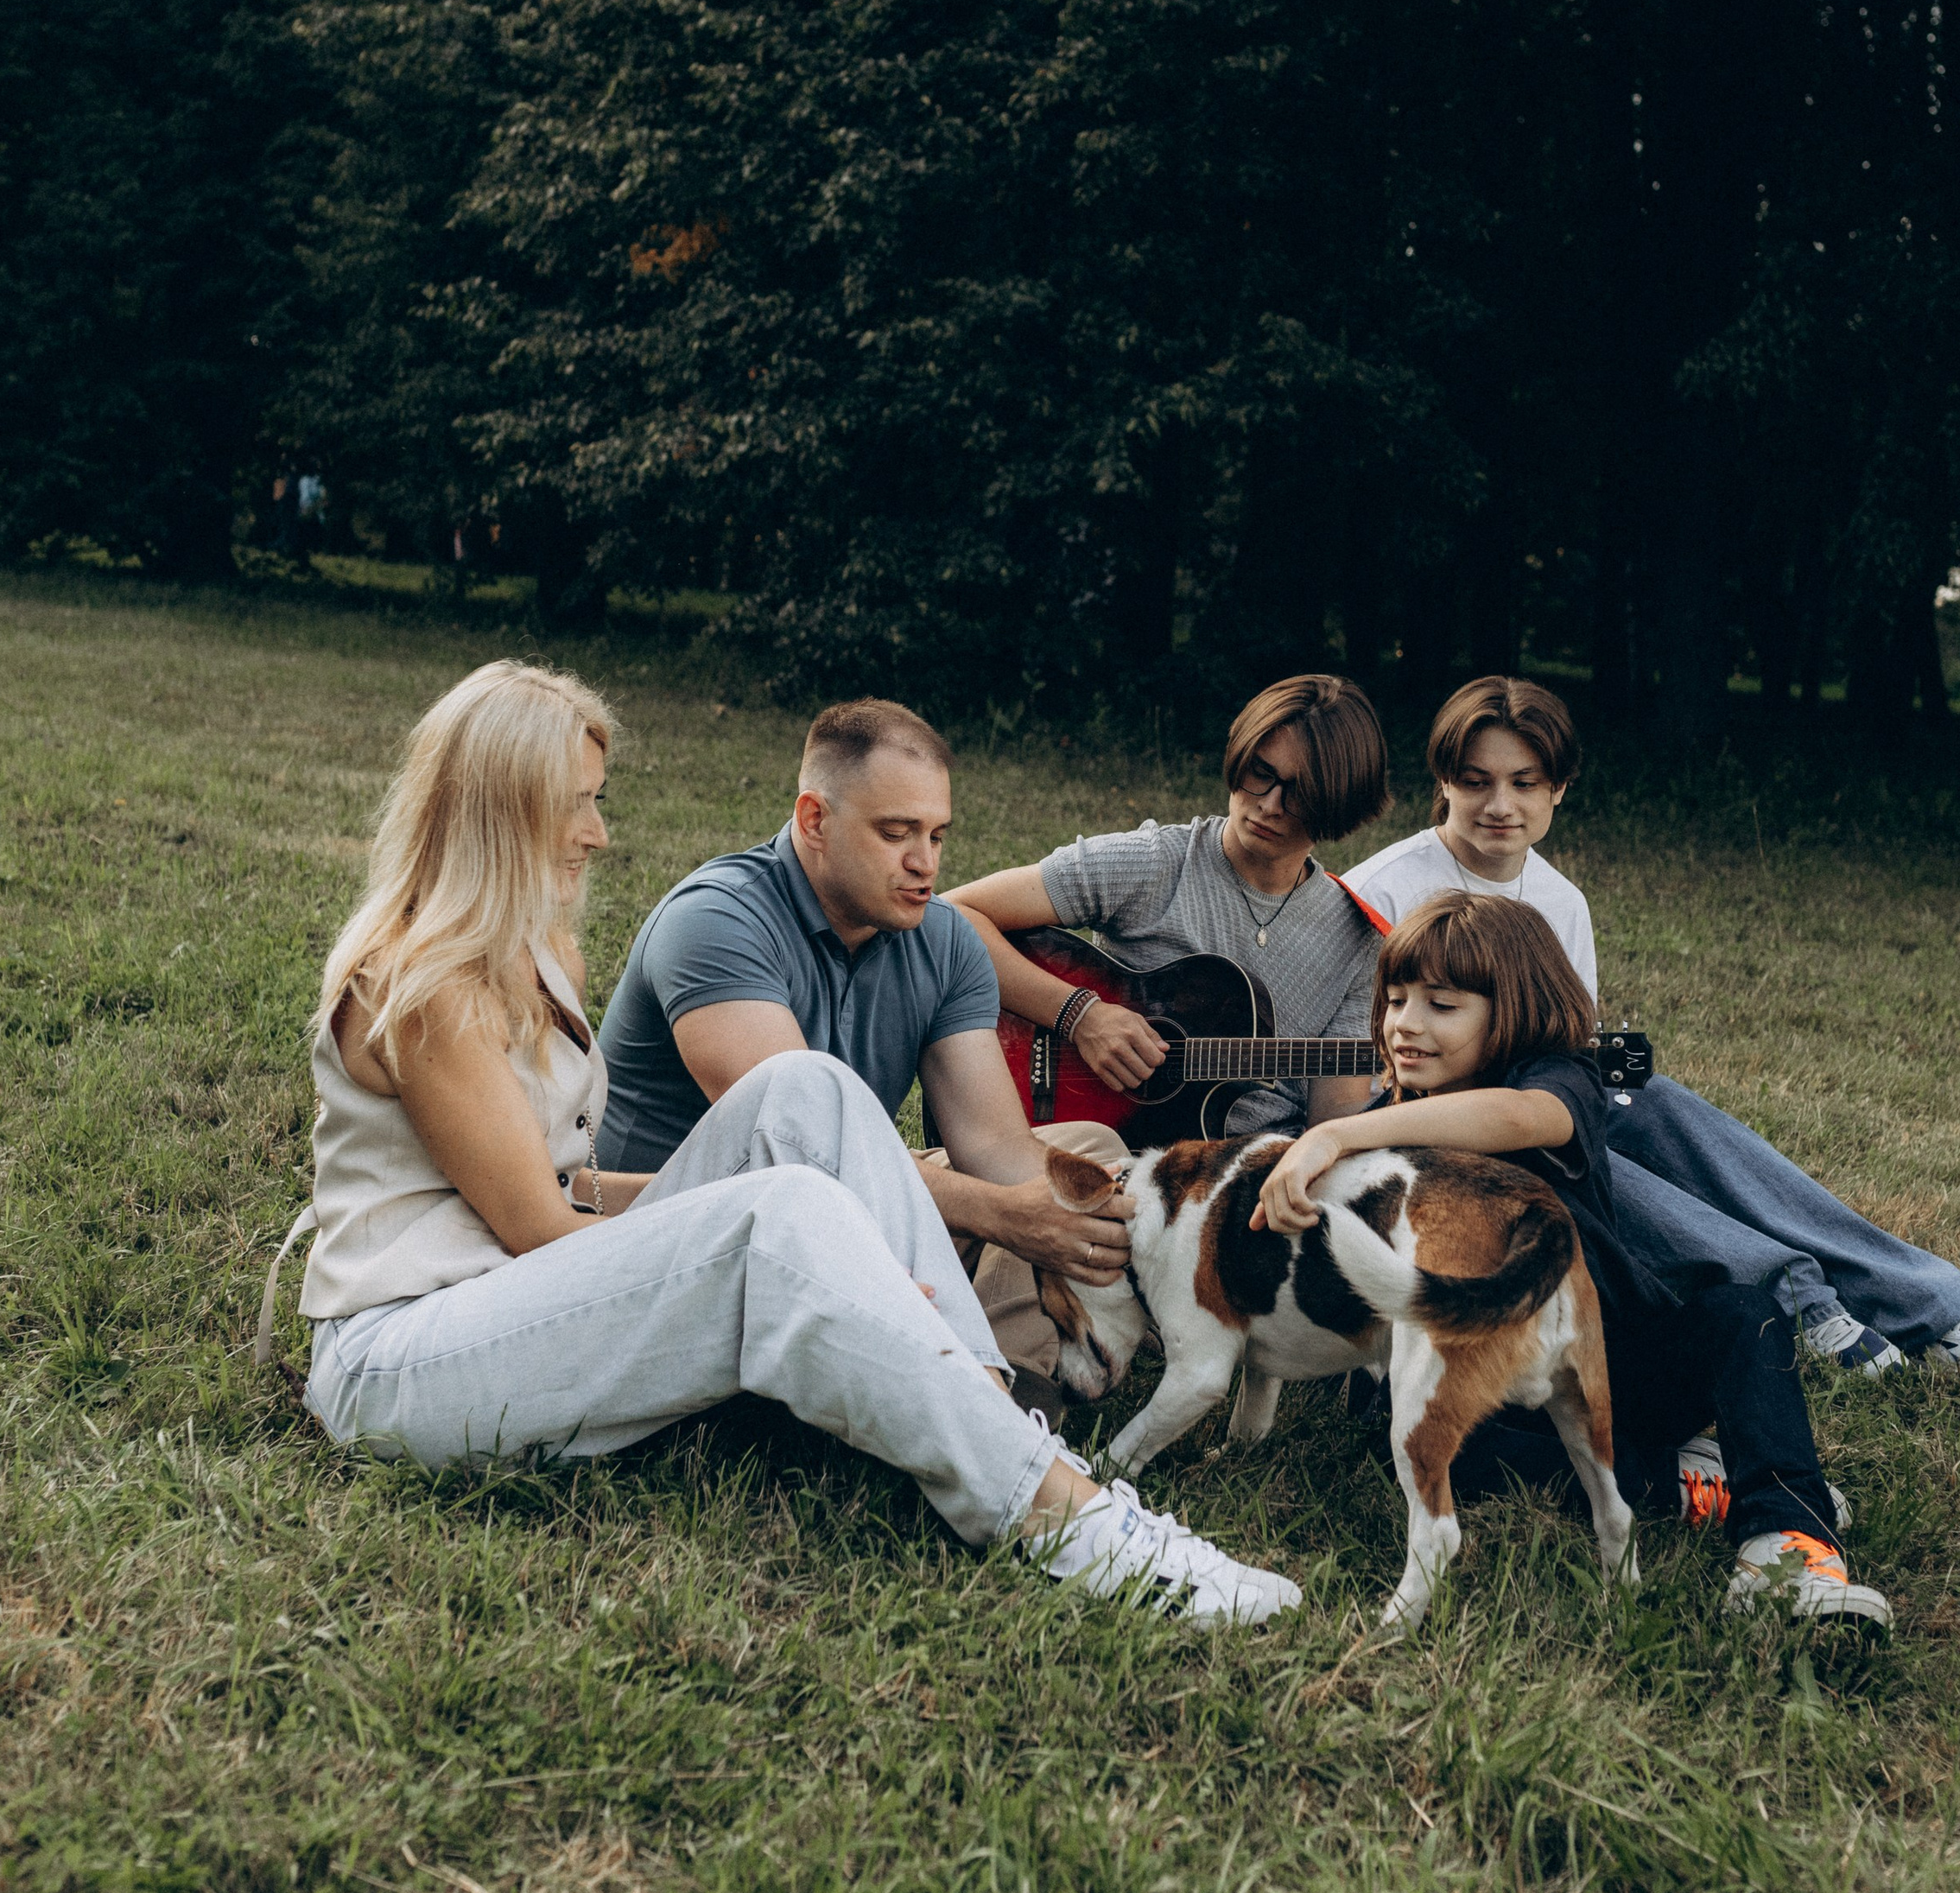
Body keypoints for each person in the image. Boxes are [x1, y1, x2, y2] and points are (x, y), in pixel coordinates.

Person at [265, 658, 1301, 1628]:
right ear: (506, 810)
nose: (599, 832)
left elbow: (568, 1188)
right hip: (400, 1364)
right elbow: (542, 1225)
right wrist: (743, 1212)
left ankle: (988, 1415)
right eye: (578, 802)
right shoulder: (423, 984)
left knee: (805, 1093)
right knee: (788, 1201)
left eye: (597, 799)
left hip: (506, 1302)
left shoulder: (535, 949)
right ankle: (1065, 1522)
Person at [1343, 675, 1960, 1380]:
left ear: (1559, 788)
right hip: (1443, 1126)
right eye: (1477, 782)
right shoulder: (1384, 890)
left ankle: (1934, 1304)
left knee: (1653, 1100)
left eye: (1525, 783)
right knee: (1581, 1153)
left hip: (1539, 1097)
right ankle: (1802, 1301)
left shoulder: (1562, 901)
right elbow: (1363, 1064)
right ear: (1443, 781)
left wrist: (1585, 1085)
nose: (1502, 805)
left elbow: (1566, 1046)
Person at [1252, 893, 1892, 1626]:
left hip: (1618, 1359)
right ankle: (1680, 1481)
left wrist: (1333, 1136)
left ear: (1512, 1011)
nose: (1406, 1024)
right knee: (1425, 1440)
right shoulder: (1376, 1138)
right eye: (1395, 1000)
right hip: (1489, 1381)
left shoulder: (1556, 1080)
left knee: (1745, 1318)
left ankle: (1787, 1546)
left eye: (1442, 1005)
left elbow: (1522, 1119)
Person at [592, 697, 1139, 1421]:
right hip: (686, 1229)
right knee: (1006, 1210)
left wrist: (1114, 1211)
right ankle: (950, 1398)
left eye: (938, 835)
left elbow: (993, 1148)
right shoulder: (716, 921)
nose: (926, 863)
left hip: (842, 1206)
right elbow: (800, 1149)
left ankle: (1007, 1402)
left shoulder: (943, 939)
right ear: (815, 820)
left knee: (1082, 1155)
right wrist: (1006, 1218)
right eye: (896, 833)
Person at [943, 672, 1392, 1387]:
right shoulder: (1159, 861)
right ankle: (1004, 1374)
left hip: (1227, 1200)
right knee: (1062, 1189)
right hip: (1094, 1143)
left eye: (1298, 793)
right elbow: (952, 918)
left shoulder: (1357, 942)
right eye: (1258, 774)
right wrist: (1078, 1013)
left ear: (1339, 805)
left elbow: (1331, 1121)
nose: (1268, 805)